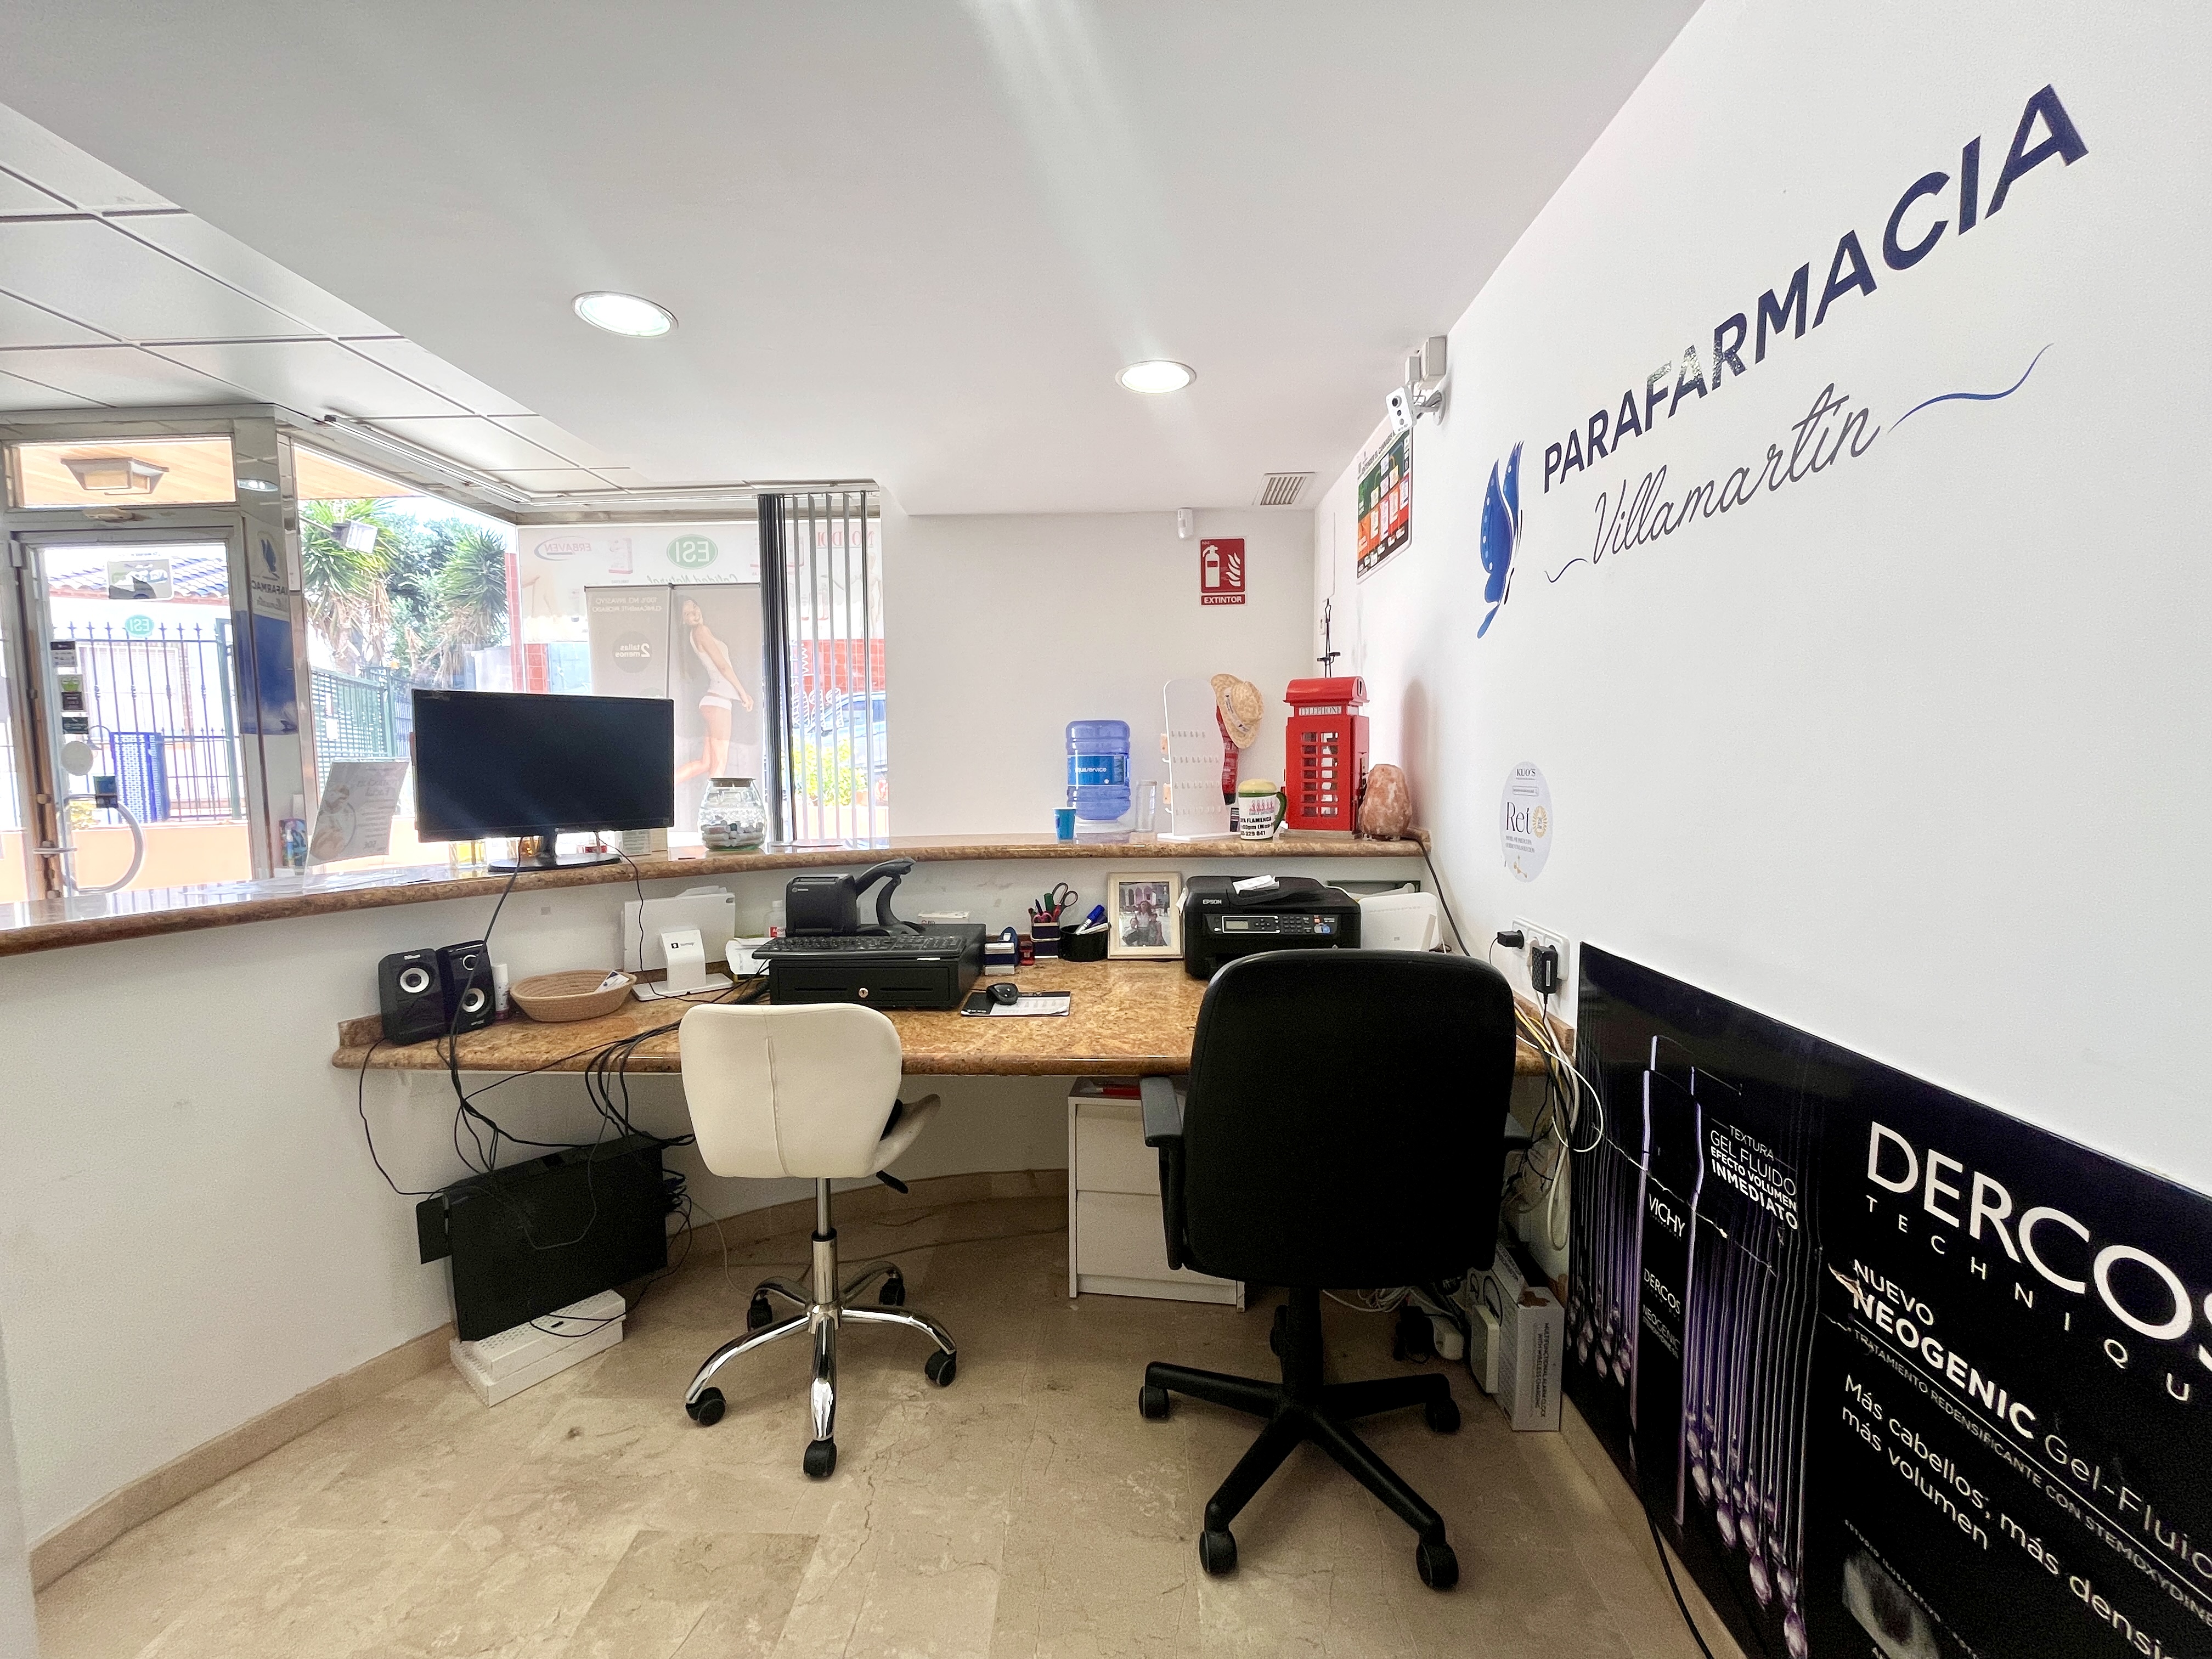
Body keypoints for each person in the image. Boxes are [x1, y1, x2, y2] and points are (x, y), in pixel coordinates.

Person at [673, 596, 757, 783]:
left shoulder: (698, 634)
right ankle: (714, 807)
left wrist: (741, 695)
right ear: (684, 621)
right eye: (688, 613)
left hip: (713, 702)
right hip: (719, 703)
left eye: (694, 607)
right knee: (720, 765)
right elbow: (723, 667)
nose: (694, 613)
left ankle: (659, 786)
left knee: (706, 763)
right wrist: (743, 694)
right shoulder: (701, 631)